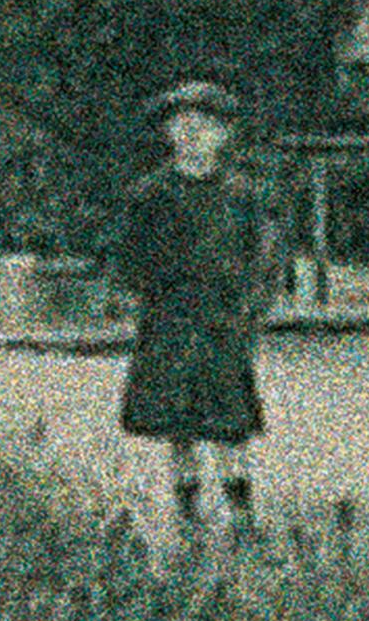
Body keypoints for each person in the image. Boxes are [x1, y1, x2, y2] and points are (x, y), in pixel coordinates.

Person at [114, 80, 281, 535]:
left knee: (230, 422)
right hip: (170, 319)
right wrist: (152, 293)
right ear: (168, 134)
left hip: (223, 320)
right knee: (178, 422)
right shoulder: (150, 195)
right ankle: (187, 511)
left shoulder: (242, 195)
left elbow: (262, 257)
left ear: (224, 135)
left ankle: (242, 513)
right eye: (183, 126)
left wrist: (249, 308)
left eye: (204, 127)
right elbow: (130, 257)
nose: (193, 135)